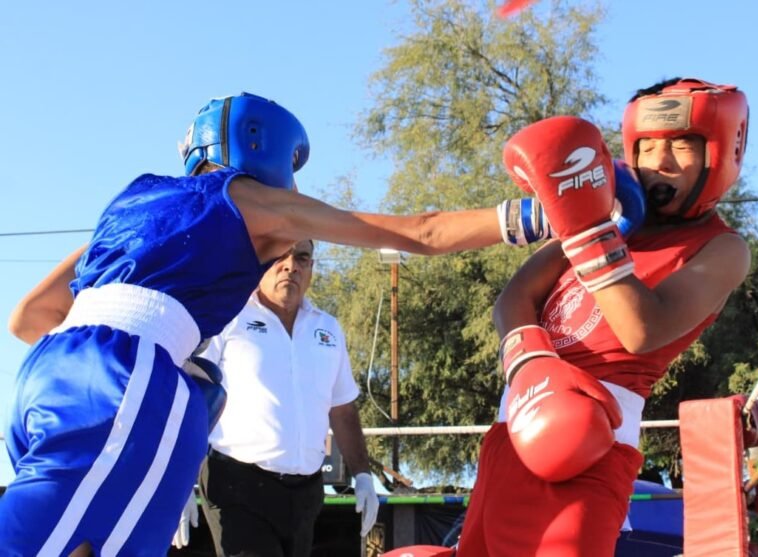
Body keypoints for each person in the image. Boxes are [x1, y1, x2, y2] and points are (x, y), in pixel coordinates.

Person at [2, 92, 514, 557]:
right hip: (129, 384)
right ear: (264, 146)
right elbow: (421, 232)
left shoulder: (133, 201)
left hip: (46, 376)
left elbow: (29, 317)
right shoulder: (252, 202)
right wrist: (528, 217)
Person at [455, 78, 751, 556]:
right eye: (647, 146)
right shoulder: (607, 217)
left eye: (681, 145)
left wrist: (587, 228)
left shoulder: (722, 249)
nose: (660, 160)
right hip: (511, 432)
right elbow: (514, 298)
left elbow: (641, 330)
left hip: (590, 446)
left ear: (719, 153)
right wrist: (530, 364)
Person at [172, 238, 378, 556]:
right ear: (260, 262)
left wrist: (363, 475)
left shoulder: (328, 329)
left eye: (302, 258)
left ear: (311, 268)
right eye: (280, 256)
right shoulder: (227, 319)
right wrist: (177, 480)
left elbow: (343, 408)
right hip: (237, 485)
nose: (290, 266)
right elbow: (190, 396)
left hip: (306, 493)